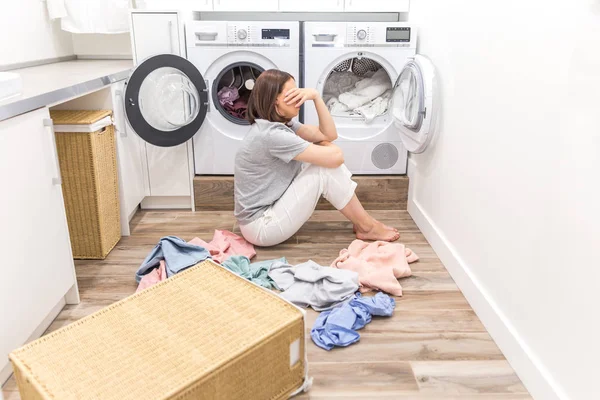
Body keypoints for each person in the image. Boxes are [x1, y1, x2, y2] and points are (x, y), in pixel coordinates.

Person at [233, 69, 400, 247]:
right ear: (275, 101)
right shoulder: (272, 135)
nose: (299, 98)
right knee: (323, 169)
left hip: (264, 216)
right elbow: (337, 157)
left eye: (299, 92)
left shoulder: (282, 124)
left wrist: (315, 97)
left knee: (324, 163)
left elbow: (328, 134)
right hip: (261, 227)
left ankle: (365, 225)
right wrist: (324, 148)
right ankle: (367, 226)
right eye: (292, 94)